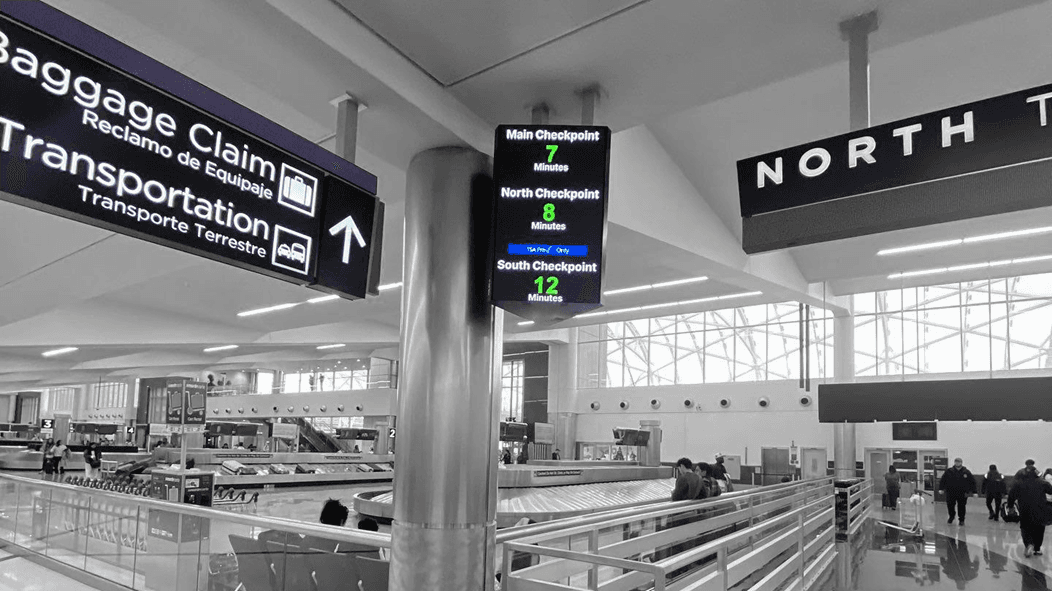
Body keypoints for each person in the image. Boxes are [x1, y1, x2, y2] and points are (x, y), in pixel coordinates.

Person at [1008, 459, 1052, 557]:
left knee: (1025, 528)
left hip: (1025, 509)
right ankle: (1037, 549)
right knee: (1039, 528)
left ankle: (1029, 544)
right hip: (1040, 509)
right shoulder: (1042, 482)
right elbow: (1050, 490)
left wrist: (1010, 506)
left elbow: (1011, 495)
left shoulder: (1019, 482)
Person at [939, 457, 976, 525]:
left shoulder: (966, 472)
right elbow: (943, 480)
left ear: (961, 463)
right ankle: (951, 516)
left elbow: (972, 482)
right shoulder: (949, 471)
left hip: (962, 492)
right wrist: (941, 488)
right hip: (951, 492)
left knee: (961, 506)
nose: (957, 463)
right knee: (950, 505)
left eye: (959, 462)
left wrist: (974, 492)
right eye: (956, 462)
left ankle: (961, 519)